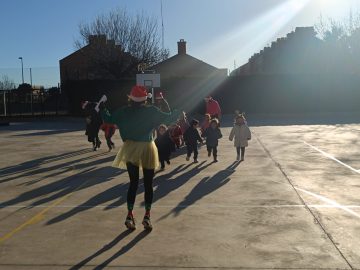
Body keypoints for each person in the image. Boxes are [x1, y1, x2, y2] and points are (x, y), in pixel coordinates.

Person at [100, 85, 179, 231]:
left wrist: (102, 107)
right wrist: (177, 109)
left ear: (130, 98)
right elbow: (169, 117)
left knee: (133, 183)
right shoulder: (151, 110)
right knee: (148, 184)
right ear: (145, 99)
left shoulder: (123, 111)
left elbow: (108, 119)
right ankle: (147, 216)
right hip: (147, 148)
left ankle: (130, 215)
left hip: (130, 148)